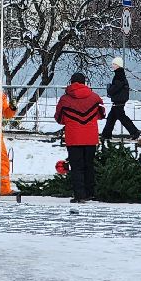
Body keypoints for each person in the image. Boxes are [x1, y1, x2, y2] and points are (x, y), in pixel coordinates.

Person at [54, 72, 105, 203]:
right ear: (84, 82)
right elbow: (102, 114)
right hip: (90, 138)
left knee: (76, 167)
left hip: (73, 138)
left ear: (71, 82)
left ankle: (80, 195)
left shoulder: (65, 99)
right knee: (89, 165)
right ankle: (90, 193)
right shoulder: (95, 97)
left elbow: (58, 118)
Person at [0, 75, 18, 196]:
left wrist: (12, 108)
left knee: (2, 161)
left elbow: (7, 114)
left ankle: (4, 188)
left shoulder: (0, 96)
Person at [102, 56, 141, 141]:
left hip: (118, 100)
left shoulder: (119, 75)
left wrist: (109, 89)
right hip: (119, 100)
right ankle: (106, 135)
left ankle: (135, 132)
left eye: (114, 64)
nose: (112, 65)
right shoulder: (120, 74)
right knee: (111, 118)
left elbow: (115, 88)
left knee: (122, 118)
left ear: (118, 65)